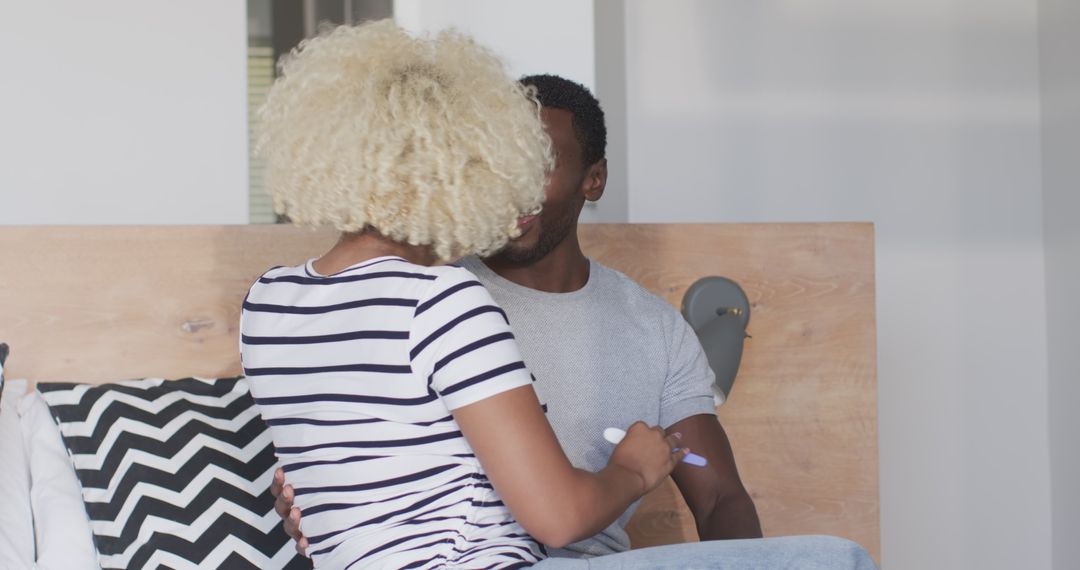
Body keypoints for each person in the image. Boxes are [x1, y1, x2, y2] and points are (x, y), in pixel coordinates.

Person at [272, 71, 881, 568]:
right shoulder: (431, 292)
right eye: (496, 164)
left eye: (537, 166)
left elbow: (718, 494)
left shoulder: (654, 329)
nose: (512, 190)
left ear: (595, 179)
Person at [245, 22, 691, 569]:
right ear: (462, 172)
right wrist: (634, 469)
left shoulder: (267, 304)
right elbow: (559, 517)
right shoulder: (441, 300)